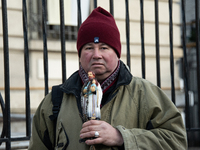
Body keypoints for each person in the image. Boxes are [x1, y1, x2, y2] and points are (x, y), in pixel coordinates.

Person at [28, 6, 187, 150]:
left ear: (117, 53)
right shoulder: (55, 100)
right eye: (89, 48)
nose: (96, 55)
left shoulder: (144, 93)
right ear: (80, 55)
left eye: (104, 47)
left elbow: (176, 141)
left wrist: (122, 137)